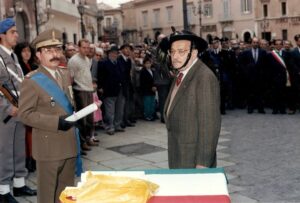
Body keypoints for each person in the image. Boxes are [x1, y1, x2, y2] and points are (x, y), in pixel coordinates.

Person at [18, 29, 79, 203]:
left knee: (67, 194)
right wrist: (55, 122)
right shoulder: (32, 80)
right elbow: (24, 114)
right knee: (47, 195)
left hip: (69, 142)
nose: (55, 54)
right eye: (48, 51)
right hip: (48, 147)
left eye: (57, 50)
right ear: (38, 55)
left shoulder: (64, 74)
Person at [159, 29, 221, 169]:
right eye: (172, 52)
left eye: (181, 51)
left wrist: (203, 163)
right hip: (179, 155)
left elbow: (209, 125)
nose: (175, 56)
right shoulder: (180, 74)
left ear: (194, 53)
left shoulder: (204, 77)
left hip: (193, 160)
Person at [0, 18, 37, 203]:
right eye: (13, 32)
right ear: (2, 35)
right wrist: (7, 108)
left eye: (16, 31)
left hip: (20, 108)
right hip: (5, 114)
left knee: (19, 149)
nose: (17, 35)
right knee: (5, 151)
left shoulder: (13, 56)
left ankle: (19, 184)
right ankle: (3, 190)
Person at [14, 41, 38, 173]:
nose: (27, 53)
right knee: (26, 134)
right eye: (24, 51)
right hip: (24, 102)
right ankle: (28, 160)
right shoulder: (18, 67)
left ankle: (34, 158)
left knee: (33, 133)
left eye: (28, 51)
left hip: (35, 101)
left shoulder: (33, 66)